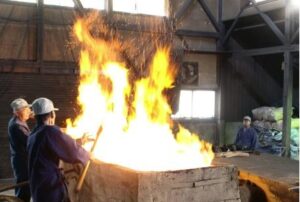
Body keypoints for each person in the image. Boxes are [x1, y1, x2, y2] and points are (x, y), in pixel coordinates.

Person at [27, 97, 91, 202]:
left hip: (38, 183)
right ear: (52, 114)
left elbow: (56, 145)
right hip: (49, 185)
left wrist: (80, 141)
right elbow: (72, 152)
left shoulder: (34, 133)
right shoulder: (49, 131)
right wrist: (87, 154)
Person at [8, 98, 32, 202]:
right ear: (18, 112)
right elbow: (31, 141)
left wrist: (28, 116)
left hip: (21, 159)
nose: (29, 112)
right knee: (23, 190)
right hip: (22, 162)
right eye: (26, 110)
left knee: (24, 187)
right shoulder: (17, 126)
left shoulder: (18, 121)